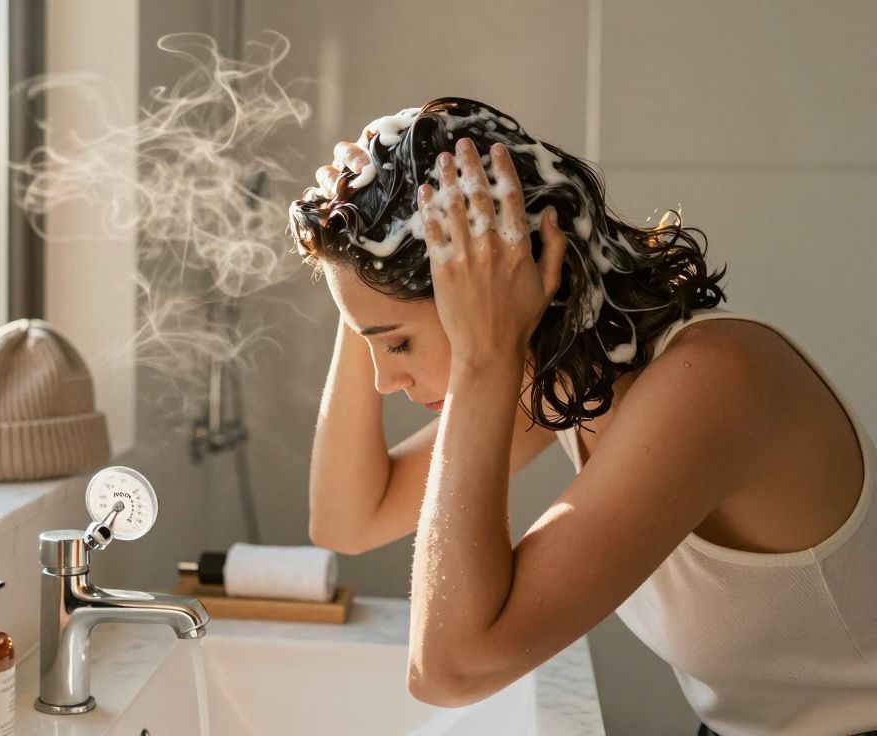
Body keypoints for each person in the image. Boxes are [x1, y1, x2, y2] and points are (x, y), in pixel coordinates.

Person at [288, 97, 877, 736]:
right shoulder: (572, 371)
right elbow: (347, 519)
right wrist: (362, 247)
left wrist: (482, 352)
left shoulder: (712, 379)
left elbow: (450, 670)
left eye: (398, 344)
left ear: (500, 275)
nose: (385, 381)